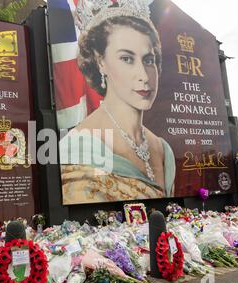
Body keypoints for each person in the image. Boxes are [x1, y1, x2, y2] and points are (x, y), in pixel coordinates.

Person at [59, 0, 175, 204]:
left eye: (148, 60)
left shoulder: (162, 149)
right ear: (100, 62)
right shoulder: (77, 149)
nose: (144, 76)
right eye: (127, 59)